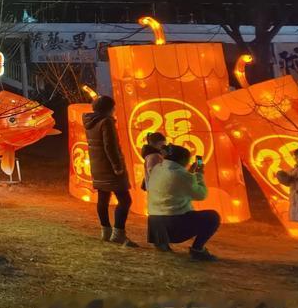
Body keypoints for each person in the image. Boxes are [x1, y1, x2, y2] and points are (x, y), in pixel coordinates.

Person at [146, 144, 220, 261]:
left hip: (154, 222)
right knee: (213, 217)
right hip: (174, 224)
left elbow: (174, 187)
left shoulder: (157, 169)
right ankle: (197, 249)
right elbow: (201, 195)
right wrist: (199, 175)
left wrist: (189, 174)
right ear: (182, 160)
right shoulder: (182, 175)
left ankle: (161, 241)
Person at [83, 95, 137, 247]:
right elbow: (110, 146)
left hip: (97, 166)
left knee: (103, 199)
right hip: (109, 167)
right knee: (125, 200)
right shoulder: (106, 122)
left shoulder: (90, 122)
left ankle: (105, 231)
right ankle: (118, 233)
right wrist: (117, 166)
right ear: (109, 108)